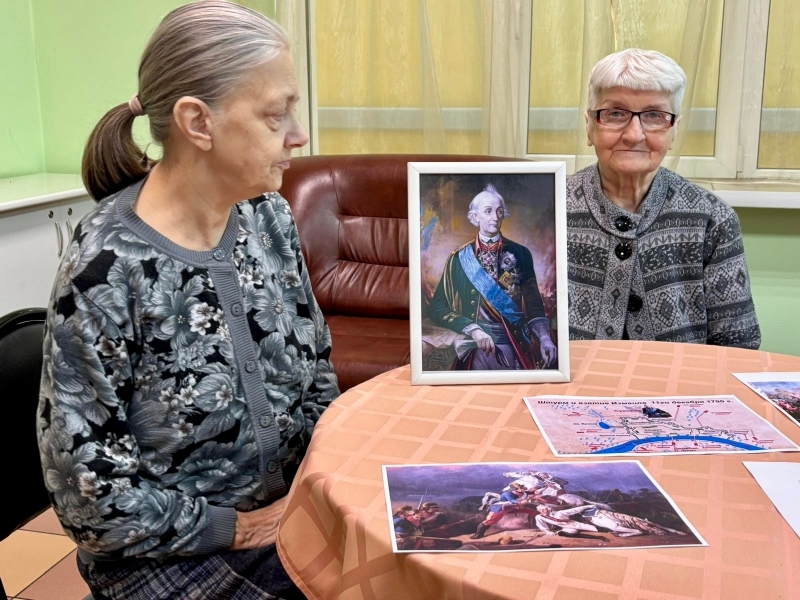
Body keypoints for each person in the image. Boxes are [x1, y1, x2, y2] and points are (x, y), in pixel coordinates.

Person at [36, 2, 339, 599]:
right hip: (164, 555)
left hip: (286, 514)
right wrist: (235, 527)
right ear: (198, 122)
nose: (299, 135)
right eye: (276, 114)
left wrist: (320, 482)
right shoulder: (105, 267)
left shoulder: (268, 216)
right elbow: (88, 495)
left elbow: (316, 367)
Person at [568, 48, 760, 348]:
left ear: (674, 131)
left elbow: (739, 345)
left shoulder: (712, 219)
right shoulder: (551, 206)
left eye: (654, 116)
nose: (634, 134)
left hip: (683, 377)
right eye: (615, 113)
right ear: (589, 126)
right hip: (574, 378)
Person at [429, 184, 558, 370]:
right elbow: (437, 307)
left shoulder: (521, 254)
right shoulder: (458, 258)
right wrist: (472, 329)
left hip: (513, 343)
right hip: (473, 345)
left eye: (499, 211)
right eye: (488, 211)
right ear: (476, 217)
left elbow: (534, 305)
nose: (495, 217)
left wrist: (544, 338)